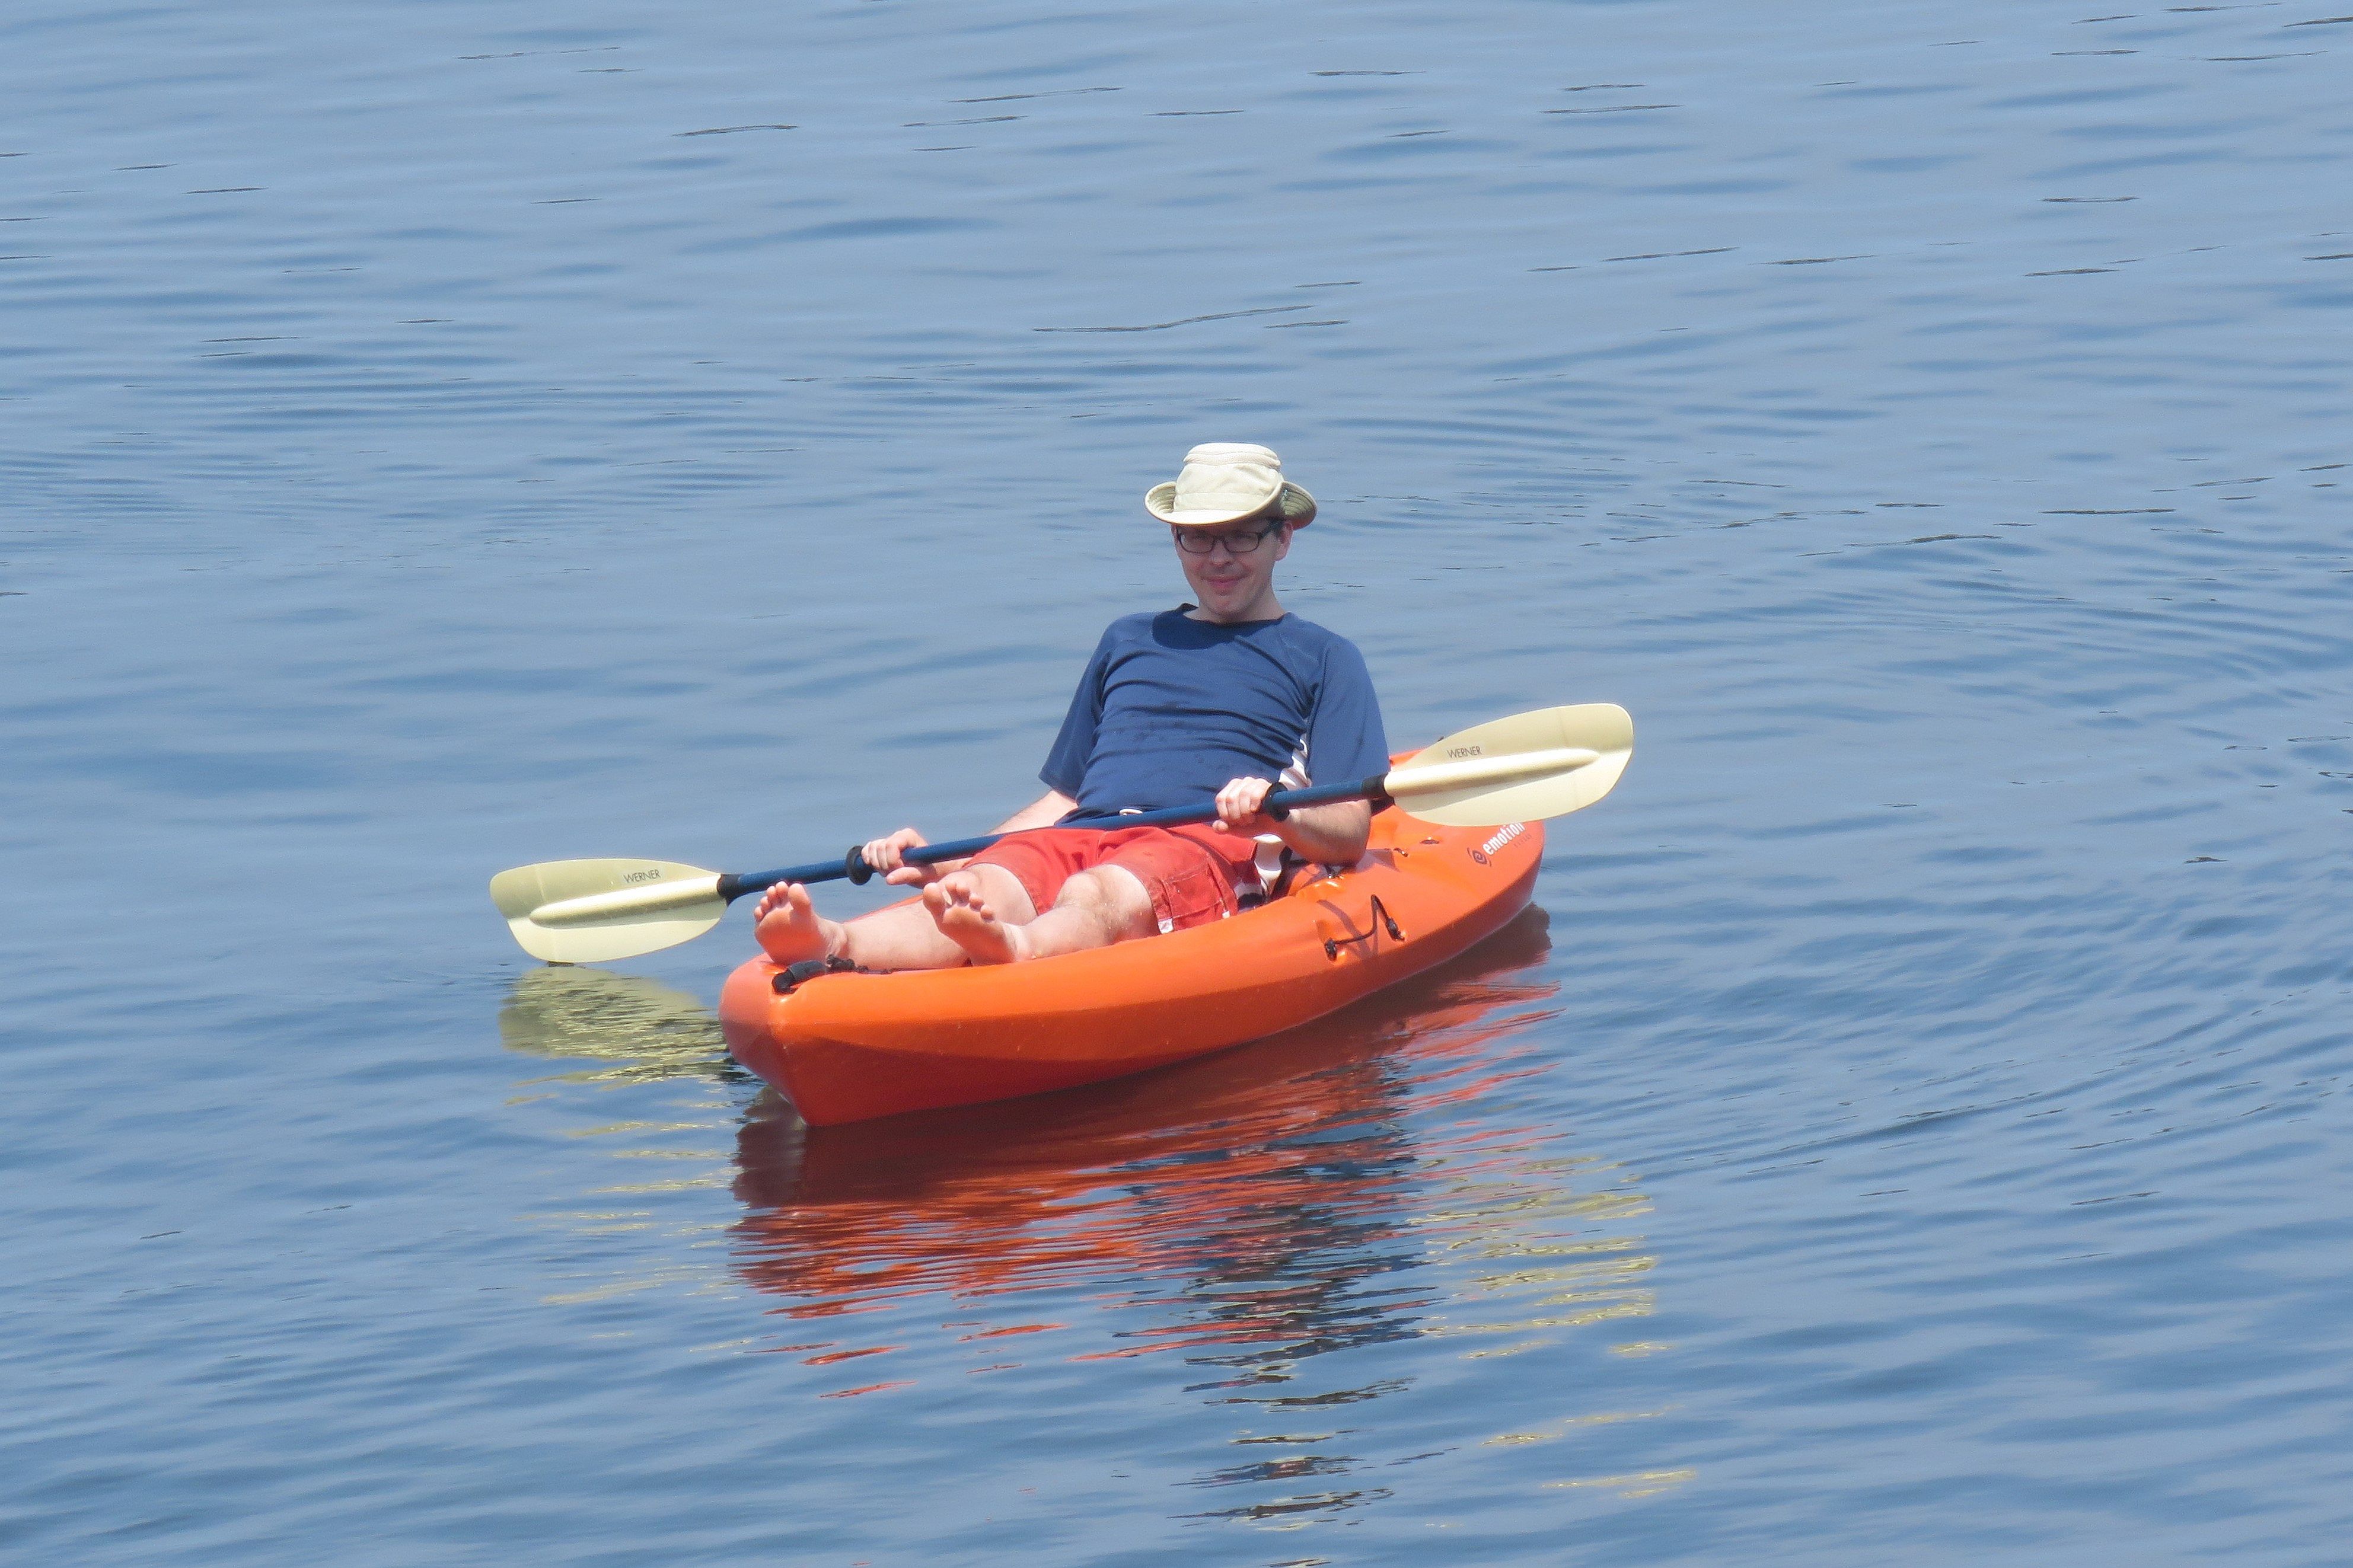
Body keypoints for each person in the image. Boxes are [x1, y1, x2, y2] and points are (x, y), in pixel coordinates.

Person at [754, 442, 1389, 968]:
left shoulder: (1324, 657)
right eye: (1198, 538)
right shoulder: (1128, 639)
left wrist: (1276, 811)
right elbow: (1065, 797)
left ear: (1282, 538)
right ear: (1175, 539)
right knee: (985, 885)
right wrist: (958, 857)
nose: (1218, 558)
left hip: (1203, 841)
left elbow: (1349, 827)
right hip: (1084, 829)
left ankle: (1020, 950)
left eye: (1241, 537)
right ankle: (835, 942)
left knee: (1098, 890)